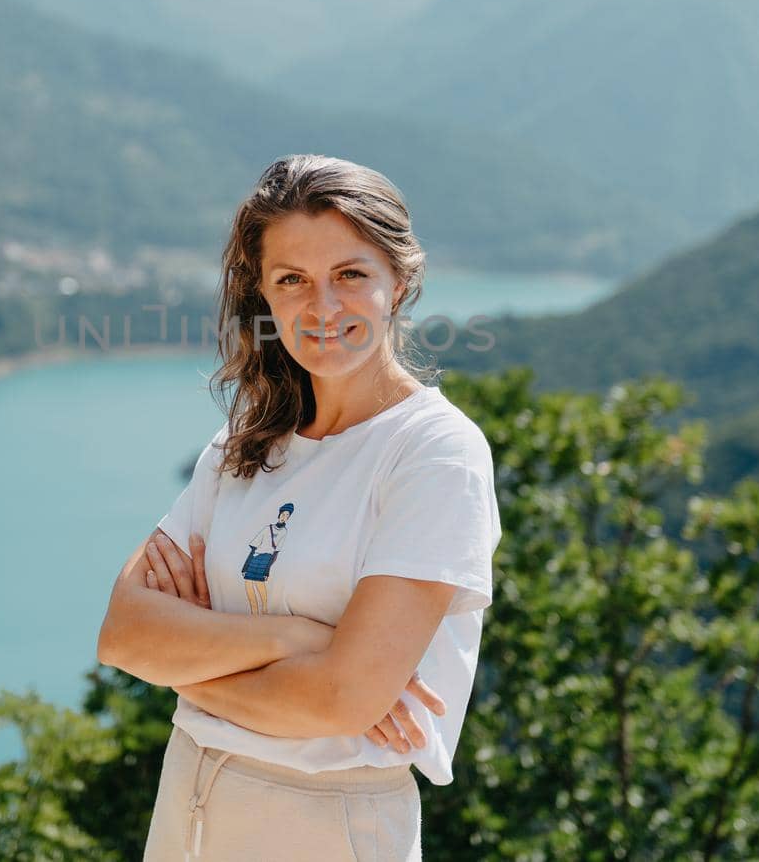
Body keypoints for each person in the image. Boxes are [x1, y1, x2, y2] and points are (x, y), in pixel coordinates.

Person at [96, 154, 502, 860]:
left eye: (350, 275)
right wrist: (300, 640)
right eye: (292, 280)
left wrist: (187, 664)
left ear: (398, 283)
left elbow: (341, 701)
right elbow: (124, 636)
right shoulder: (246, 440)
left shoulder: (435, 454)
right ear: (264, 293)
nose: (322, 307)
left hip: (329, 824)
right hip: (189, 800)